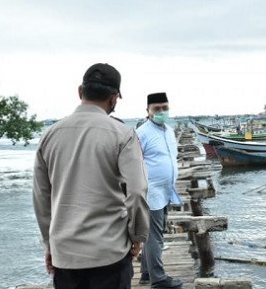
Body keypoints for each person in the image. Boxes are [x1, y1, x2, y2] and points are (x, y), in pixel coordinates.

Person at [33, 63, 150, 289]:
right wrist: (137, 236)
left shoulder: (49, 136)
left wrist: (50, 245)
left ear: (80, 91)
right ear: (114, 98)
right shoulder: (123, 135)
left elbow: (41, 198)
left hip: (65, 254)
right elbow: (137, 192)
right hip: (110, 252)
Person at [137, 92, 183, 289]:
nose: (162, 111)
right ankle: (158, 279)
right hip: (151, 191)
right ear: (147, 111)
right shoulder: (141, 133)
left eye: (165, 107)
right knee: (155, 235)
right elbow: (133, 163)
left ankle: (146, 273)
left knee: (155, 233)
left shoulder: (169, 131)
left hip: (166, 190)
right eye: (157, 109)